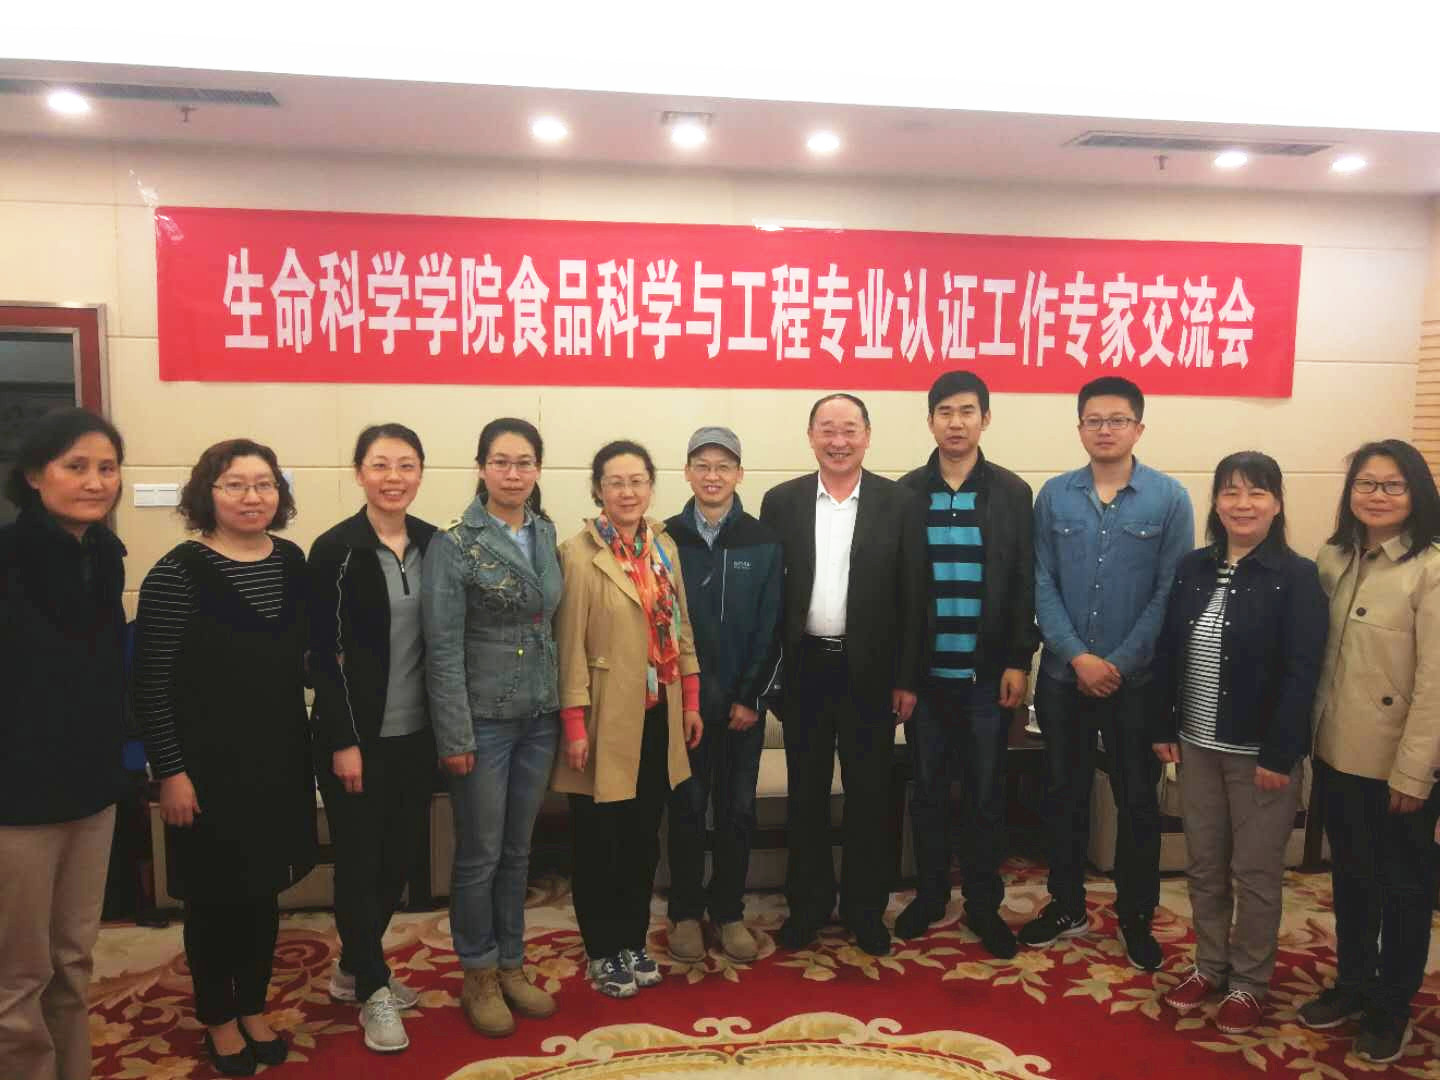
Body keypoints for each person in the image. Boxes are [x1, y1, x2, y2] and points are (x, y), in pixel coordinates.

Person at [135, 439, 316, 1078]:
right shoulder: (176, 573)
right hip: (205, 767)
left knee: (263, 893)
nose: (251, 496)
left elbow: (301, 656)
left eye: (264, 484)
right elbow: (149, 684)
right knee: (214, 900)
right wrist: (170, 772)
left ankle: (254, 1007)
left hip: (278, 758)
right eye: (234, 484)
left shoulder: (291, 560)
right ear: (206, 493)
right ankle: (218, 1017)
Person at [1150, 451, 1327, 1034]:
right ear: (1216, 502)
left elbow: (1303, 671)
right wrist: (1163, 725)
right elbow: (1169, 651)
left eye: (1256, 492)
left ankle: (1250, 981)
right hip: (1196, 745)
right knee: (1204, 865)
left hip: (1260, 756)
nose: (1242, 504)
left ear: (1276, 504)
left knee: (1254, 873)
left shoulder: (1296, 576)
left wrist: (1281, 752)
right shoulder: (1193, 567)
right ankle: (1209, 965)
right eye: (1230, 491)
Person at [1022, 376, 1194, 971]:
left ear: (1138, 428)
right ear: (1080, 428)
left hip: (1135, 685)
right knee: (1063, 795)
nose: (1105, 430)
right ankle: (1066, 905)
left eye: (1117, 419)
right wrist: (1078, 656)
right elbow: (1040, 582)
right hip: (1063, 678)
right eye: (1094, 420)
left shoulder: (1169, 499)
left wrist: (1116, 663)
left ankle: (1136, 916)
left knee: (1137, 802)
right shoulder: (1054, 496)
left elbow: (1171, 592)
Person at [760, 393, 927, 958]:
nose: (838, 441)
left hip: (871, 674)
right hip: (804, 668)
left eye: (849, 429)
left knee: (869, 796)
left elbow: (914, 596)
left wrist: (907, 678)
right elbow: (770, 596)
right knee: (806, 795)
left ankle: (864, 910)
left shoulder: (898, 503)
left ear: (867, 436)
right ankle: (807, 907)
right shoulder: (781, 502)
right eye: (827, 429)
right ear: (810, 437)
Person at [1296, 439, 1440, 1065]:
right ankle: (1353, 983)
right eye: (1365, 484)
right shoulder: (1333, 557)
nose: (1377, 496)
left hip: (1396, 765)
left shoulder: (1430, 569)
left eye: (1392, 485)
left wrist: (1415, 771)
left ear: (1416, 494)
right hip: (1335, 750)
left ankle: (1392, 1005)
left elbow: (1436, 686)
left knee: (1404, 888)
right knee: (1351, 877)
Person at [424, 418, 563, 1034]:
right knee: (479, 855)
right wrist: (454, 735)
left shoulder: (546, 531)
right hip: (483, 721)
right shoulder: (456, 543)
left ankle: (512, 963)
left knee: (517, 851)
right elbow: (442, 648)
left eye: (524, 462)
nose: (513, 473)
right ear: (481, 468)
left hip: (539, 715)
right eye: (501, 462)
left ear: (538, 469)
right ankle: (477, 971)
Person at [0, 409, 127, 1080]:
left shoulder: (104, 555)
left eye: (106, 467)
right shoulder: (9, 556)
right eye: (75, 466)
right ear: (33, 474)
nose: (95, 482)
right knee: (19, 973)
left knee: (73, 959)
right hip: (17, 799)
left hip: (90, 788)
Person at [894, 372, 1038, 957]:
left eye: (967, 411)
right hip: (926, 680)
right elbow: (899, 594)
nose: (956, 423)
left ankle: (982, 904)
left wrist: (1019, 660)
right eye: (945, 412)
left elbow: (1023, 581)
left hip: (987, 678)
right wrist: (903, 676)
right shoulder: (905, 494)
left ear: (985, 418)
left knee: (984, 794)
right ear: (930, 420)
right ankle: (930, 896)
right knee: (928, 792)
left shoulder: (1011, 493)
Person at [551, 440, 702, 997]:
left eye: (637, 481)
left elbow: (681, 627)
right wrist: (573, 725)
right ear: (598, 489)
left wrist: (690, 701)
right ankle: (602, 949)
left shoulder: (664, 546)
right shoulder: (577, 554)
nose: (628, 491)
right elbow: (568, 645)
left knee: (642, 840)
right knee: (599, 843)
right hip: (603, 721)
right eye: (615, 482)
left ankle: (633, 940)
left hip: (658, 717)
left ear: (651, 487)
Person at [308, 424, 437, 1054]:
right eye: (380, 465)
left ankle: (354, 965)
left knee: (400, 858)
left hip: (418, 735)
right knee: (359, 862)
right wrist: (343, 740)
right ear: (359, 472)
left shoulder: (436, 544)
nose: (393, 478)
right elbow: (322, 655)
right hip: (355, 738)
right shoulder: (336, 549)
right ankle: (372, 986)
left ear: (420, 473)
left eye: (406, 465)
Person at [663, 427, 782, 965]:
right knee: (686, 809)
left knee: (736, 812)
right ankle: (686, 913)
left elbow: (772, 625)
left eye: (723, 467)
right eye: (702, 466)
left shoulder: (763, 539)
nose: (713, 476)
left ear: (739, 474)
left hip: (741, 709)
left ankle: (729, 912)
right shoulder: (664, 539)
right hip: (684, 707)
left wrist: (750, 697)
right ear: (687, 473)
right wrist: (685, 700)